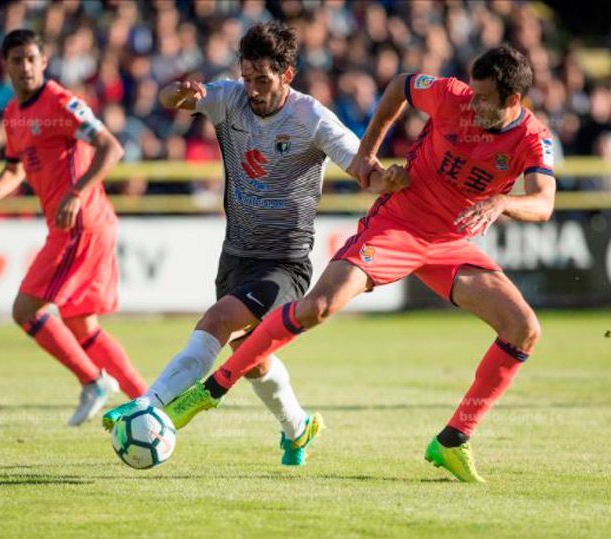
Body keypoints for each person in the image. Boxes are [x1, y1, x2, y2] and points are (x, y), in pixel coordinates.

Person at [162, 45, 557, 483]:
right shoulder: (450, 95)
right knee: (318, 307)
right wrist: (368, 153)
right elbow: (398, 86)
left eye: (484, 99)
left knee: (524, 329)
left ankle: (453, 439)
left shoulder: (534, 139)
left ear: (513, 101)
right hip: (398, 225)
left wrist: (502, 200)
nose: (473, 103)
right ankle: (212, 390)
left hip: (450, 244)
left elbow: (543, 202)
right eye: (473, 92)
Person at [102, 22, 408, 465]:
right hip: (237, 253)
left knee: (219, 318)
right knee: (251, 358)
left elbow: (364, 167)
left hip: (284, 262)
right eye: (247, 78)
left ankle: (150, 402)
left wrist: (388, 179)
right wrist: (179, 92)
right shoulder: (229, 99)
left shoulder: (312, 118)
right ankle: (299, 428)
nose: (253, 90)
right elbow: (172, 99)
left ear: (288, 73)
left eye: (262, 79)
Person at [0, 29, 147, 426]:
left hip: (81, 223)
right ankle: (151, 402)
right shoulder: (12, 113)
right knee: (80, 323)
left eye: (32, 59)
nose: (25, 67)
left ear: (44, 62)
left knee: (25, 309)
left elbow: (111, 147)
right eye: (17, 60)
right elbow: (14, 170)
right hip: (74, 225)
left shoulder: (60, 102)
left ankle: (94, 380)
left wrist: (77, 192)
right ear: (6, 66)